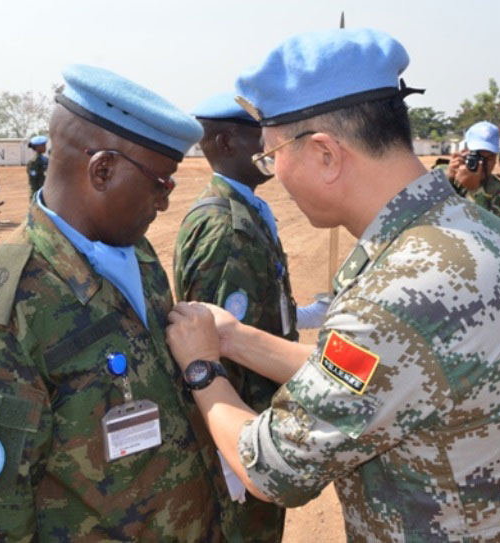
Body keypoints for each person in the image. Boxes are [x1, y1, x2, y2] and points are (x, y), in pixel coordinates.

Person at [164, 28, 500, 541]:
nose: (274, 173)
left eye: (270, 155)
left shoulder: (399, 291)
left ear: (325, 155)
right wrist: (235, 338)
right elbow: (385, 373)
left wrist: (201, 368)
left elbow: (272, 469)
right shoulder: (472, 227)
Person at [0, 63, 231, 541]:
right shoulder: (5, 316)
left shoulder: (139, 255)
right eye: (161, 183)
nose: (166, 202)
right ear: (103, 170)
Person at [173, 92, 296, 542]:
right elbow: (215, 347)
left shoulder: (245, 211)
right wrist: (232, 456)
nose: (270, 147)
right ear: (225, 143)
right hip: (242, 429)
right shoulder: (227, 227)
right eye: (259, 137)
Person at [435, 121, 500, 220]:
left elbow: (490, 230)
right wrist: (448, 180)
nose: (481, 163)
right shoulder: (442, 172)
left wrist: (474, 191)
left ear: (496, 158)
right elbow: (422, 211)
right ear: (464, 152)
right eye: (477, 156)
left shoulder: (498, 190)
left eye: (488, 158)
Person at [27, 135, 48, 201]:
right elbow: (33, 181)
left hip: (45, 191)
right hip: (38, 193)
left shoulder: (45, 159)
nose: (45, 147)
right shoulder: (34, 162)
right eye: (43, 145)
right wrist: (36, 196)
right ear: (37, 147)